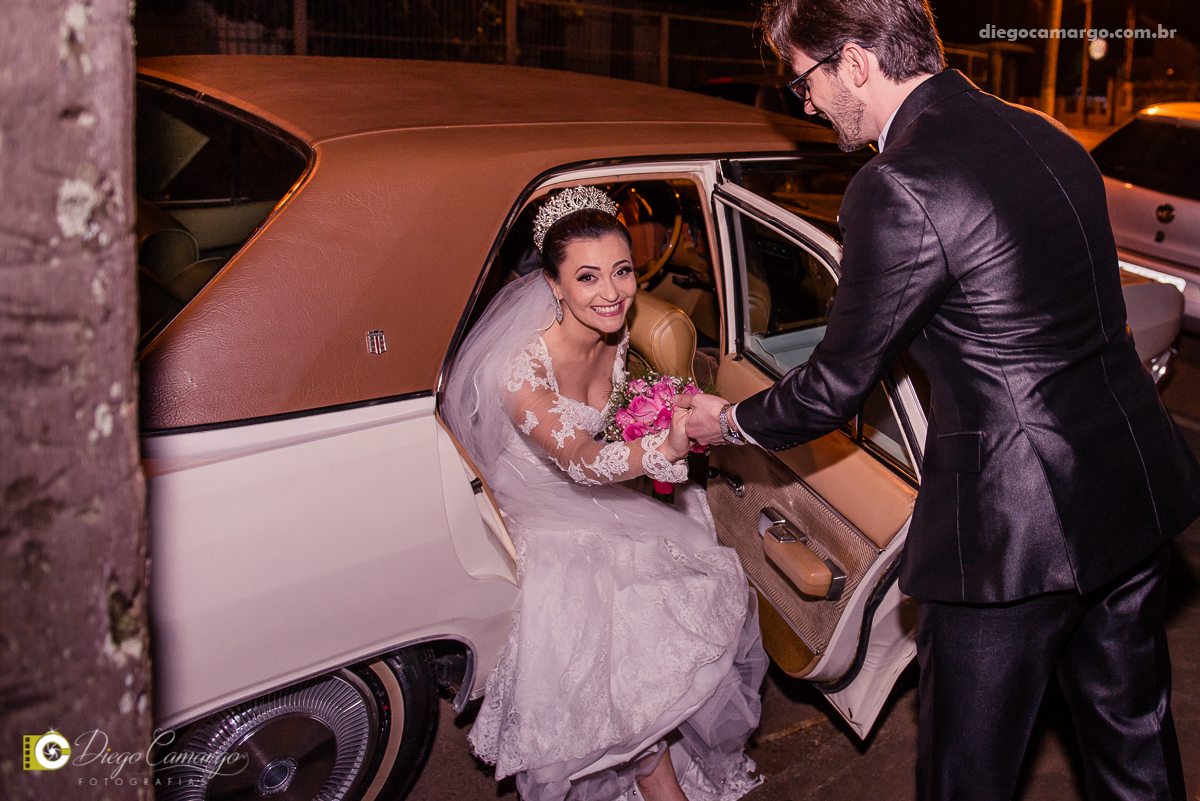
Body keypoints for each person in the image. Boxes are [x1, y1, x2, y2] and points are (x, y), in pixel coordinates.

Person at [678, 1, 1200, 799]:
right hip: (1129, 489)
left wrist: (727, 419)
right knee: (1134, 749)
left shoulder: (897, 183)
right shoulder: (1048, 136)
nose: (806, 104)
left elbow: (836, 384)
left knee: (966, 780)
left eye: (803, 83)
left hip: (1011, 538)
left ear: (855, 62)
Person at [442, 186, 766, 801]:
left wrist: (679, 413)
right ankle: (653, 773)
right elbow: (584, 461)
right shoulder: (520, 370)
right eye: (587, 277)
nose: (611, 292)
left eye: (622, 271)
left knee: (695, 586)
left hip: (599, 496)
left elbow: (629, 417)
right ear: (555, 286)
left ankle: (652, 767)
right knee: (607, 619)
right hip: (537, 512)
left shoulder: (615, 335)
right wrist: (665, 447)